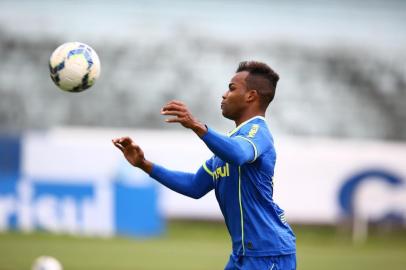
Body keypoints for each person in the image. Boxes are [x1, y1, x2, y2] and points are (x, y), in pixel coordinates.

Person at [112, 61, 296, 270]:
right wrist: (144, 164)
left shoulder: (258, 133)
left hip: (269, 253)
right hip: (243, 255)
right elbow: (194, 185)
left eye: (232, 88)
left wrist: (197, 126)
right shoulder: (229, 144)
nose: (224, 95)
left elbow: (239, 154)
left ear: (251, 96)